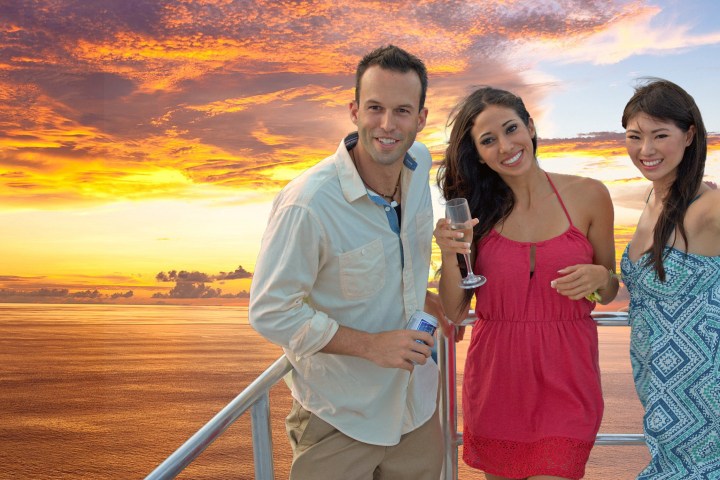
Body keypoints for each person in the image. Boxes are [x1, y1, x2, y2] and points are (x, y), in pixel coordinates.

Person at [249, 45, 444, 480]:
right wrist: (371, 346)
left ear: (421, 119)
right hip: (340, 417)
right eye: (375, 108)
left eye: (402, 111)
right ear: (354, 110)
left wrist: (421, 292)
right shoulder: (308, 203)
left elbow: (395, 258)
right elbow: (269, 310)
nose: (387, 125)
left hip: (416, 410)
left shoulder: (421, 163)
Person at [433, 86, 619, 480]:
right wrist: (450, 252)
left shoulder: (589, 195)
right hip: (498, 380)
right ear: (479, 156)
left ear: (531, 128)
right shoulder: (475, 213)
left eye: (511, 128)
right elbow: (453, 310)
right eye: (488, 140)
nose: (505, 145)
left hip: (568, 378)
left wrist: (602, 276)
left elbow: (609, 289)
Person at [619, 79, 720, 479]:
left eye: (660, 135)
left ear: (689, 134)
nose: (646, 150)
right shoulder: (652, 198)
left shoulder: (708, 206)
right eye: (634, 136)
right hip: (661, 396)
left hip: (704, 402)